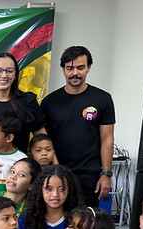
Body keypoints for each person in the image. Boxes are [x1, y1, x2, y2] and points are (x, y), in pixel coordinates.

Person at [41, 46, 115, 207]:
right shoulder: (49, 102)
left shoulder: (103, 99)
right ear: (63, 70)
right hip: (56, 173)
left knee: (84, 220)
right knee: (56, 219)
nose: (75, 73)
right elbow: (43, 141)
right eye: (70, 68)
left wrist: (106, 173)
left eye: (80, 68)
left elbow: (107, 139)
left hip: (89, 175)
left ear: (88, 68)